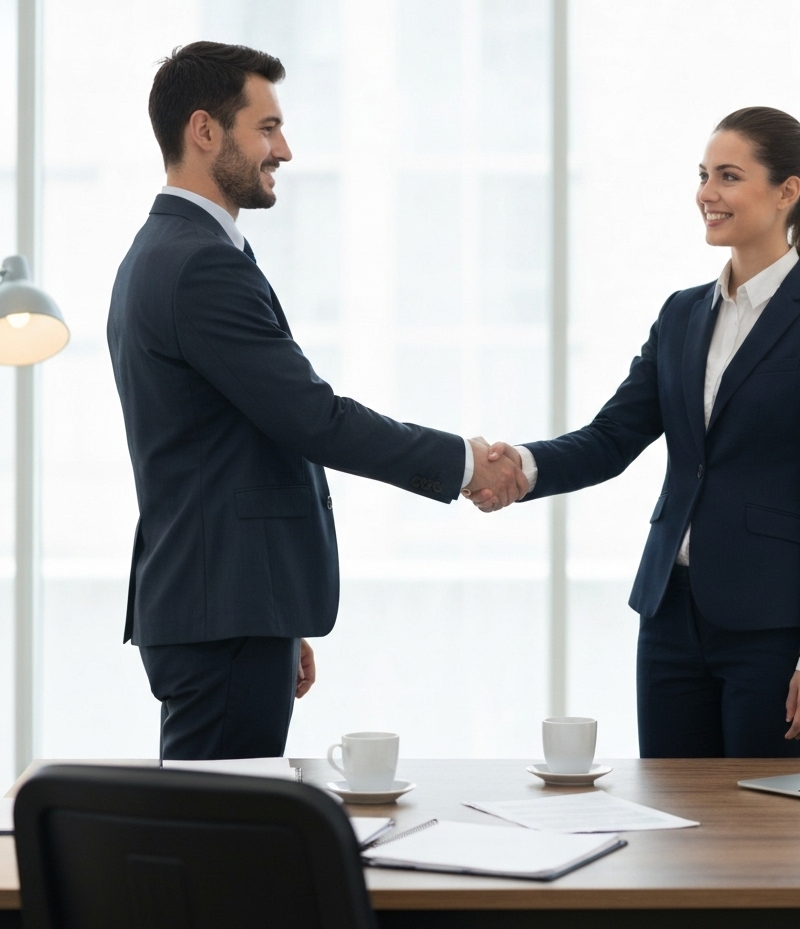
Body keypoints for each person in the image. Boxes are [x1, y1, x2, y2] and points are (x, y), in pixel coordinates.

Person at [107, 41, 527, 760]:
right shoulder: (198, 262)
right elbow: (311, 416)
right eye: (266, 128)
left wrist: (279, 613)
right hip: (223, 614)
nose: (286, 150)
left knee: (218, 829)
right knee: (221, 842)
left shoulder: (170, 250)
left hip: (230, 604)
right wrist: (465, 464)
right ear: (204, 131)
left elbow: (226, 441)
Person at [473, 107, 800, 757]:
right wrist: (521, 464)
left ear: (786, 192)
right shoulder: (683, 313)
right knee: (670, 821)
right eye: (702, 175)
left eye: (727, 176)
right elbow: (612, 438)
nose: (706, 194)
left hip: (771, 627)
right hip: (670, 615)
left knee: (764, 831)